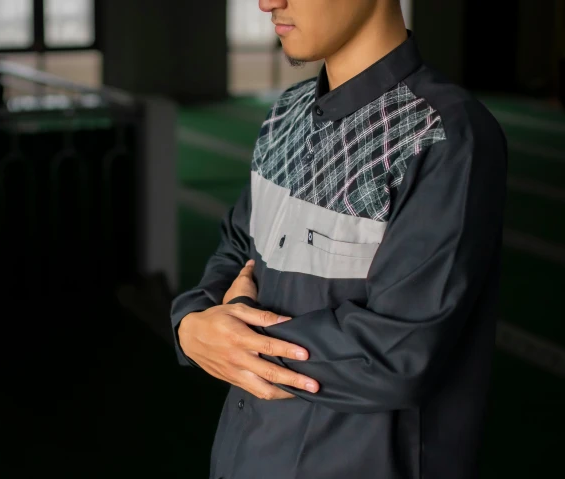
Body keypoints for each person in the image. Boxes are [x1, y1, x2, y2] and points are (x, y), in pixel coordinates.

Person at [170, 1, 507, 478]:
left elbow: (399, 352)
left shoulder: (444, 135)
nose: (267, 2)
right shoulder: (286, 114)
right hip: (245, 454)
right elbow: (234, 251)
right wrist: (192, 323)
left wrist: (230, 340)